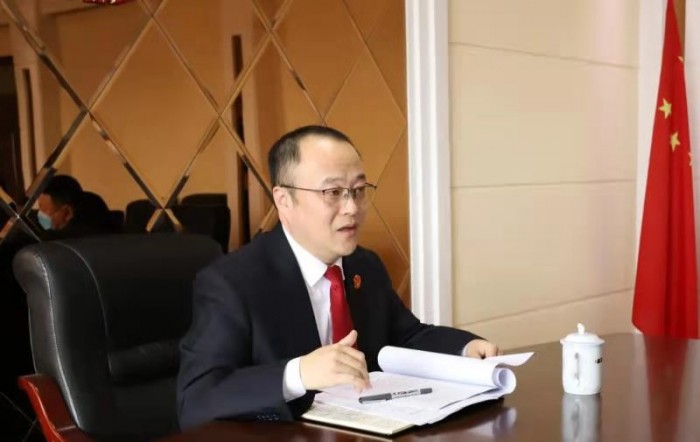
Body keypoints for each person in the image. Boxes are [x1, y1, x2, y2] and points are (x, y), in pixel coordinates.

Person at [177, 126, 499, 429]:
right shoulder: (230, 283)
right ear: (284, 201)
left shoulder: (365, 265)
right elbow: (196, 400)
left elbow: (406, 335)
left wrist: (464, 348)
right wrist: (298, 374)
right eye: (333, 192)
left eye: (358, 191)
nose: (352, 208)